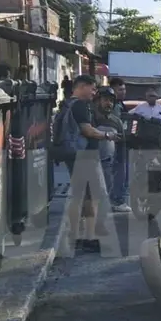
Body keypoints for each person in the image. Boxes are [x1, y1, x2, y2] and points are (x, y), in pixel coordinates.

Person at [52, 74, 119, 253]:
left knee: (82, 196)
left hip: (74, 155)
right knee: (92, 197)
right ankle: (89, 237)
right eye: (92, 88)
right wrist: (108, 135)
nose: (94, 92)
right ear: (82, 87)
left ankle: (79, 234)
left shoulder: (67, 104)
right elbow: (87, 130)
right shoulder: (80, 105)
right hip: (84, 156)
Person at [92, 87, 122, 198]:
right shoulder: (90, 118)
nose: (109, 103)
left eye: (111, 101)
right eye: (105, 100)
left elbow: (121, 146)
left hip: (109, 165)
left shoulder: (117, 121)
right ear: (97, 101)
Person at [108, 77, 131, 213]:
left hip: (120, 141)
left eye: (124, 89)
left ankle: (116, 198)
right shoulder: (113, 105)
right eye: (120, 89)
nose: (123, 92)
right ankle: (117, 200)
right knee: (120, 172)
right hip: (116, 141)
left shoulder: (119, 104)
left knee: (121, 171)